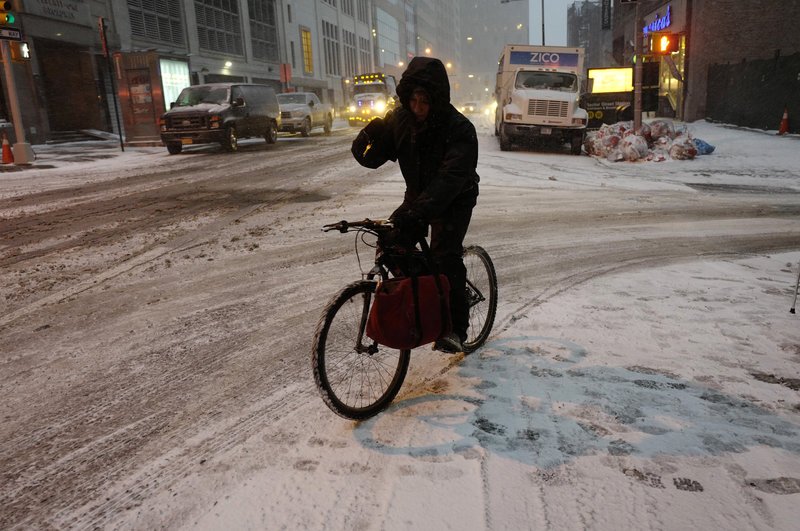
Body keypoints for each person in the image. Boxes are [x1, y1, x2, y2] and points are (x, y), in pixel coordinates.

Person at [351, 56, 480, 353]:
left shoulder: (459, 128)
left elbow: (451, 178)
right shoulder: (402, 120)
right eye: (413, 100)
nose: (418, 108)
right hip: (417, 196)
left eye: (424, 101)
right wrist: (366, 138)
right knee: (392, 245)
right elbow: (375, 157)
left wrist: (419, 213)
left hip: (454, 198)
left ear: (436, 100)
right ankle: (425, 299)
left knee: (445, 257)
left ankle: (457, 329)